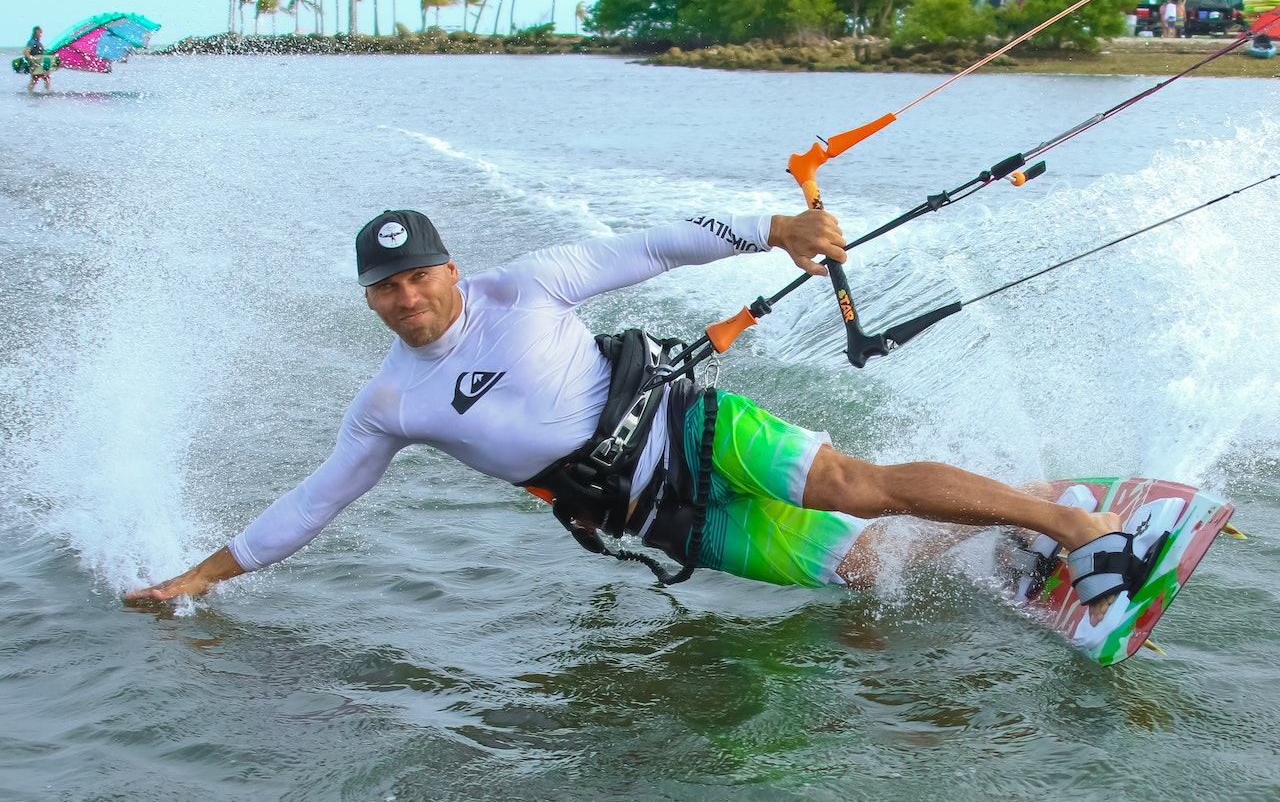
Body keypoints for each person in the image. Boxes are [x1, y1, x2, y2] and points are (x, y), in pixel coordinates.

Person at [125, 208, 1141, 626]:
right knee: (861, 563)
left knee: (850, 483)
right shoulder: (388, 402)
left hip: (691, 430)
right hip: (654, 517)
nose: (405, 296)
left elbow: (650, 249)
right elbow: (314, 502)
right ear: (370, 298)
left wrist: (770, 230)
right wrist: (198, 578)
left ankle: (1076, 527)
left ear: (447, 267)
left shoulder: (521, 289)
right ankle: (1029, 510)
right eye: (383, 287)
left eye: (417, 274)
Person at [23, 26, 51, 92]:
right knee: (36, 79)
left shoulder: (38, 42)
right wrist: (33, 62)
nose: (40, 34)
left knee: (43, 78)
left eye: (41, 32)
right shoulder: (32, 41)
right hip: (35, 64)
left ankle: (45, 92)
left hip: (40, 64)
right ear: (35, 33)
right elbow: (26, 52)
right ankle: (46, 92)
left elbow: (43, 51)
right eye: (39, 32)